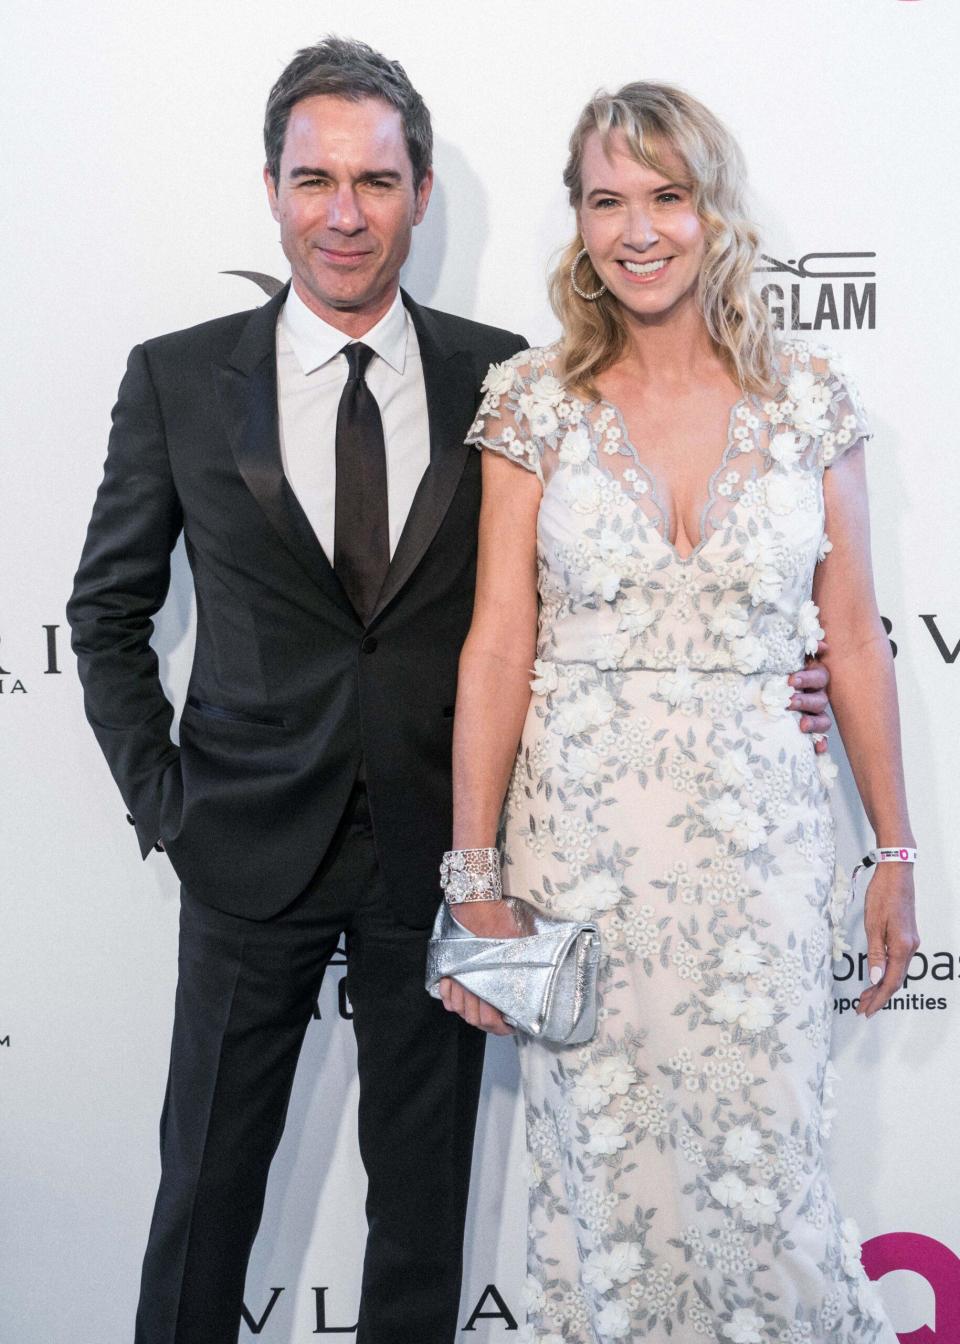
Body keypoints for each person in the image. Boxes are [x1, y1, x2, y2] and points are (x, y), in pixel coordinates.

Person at [66, 39, 833, 1344]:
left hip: (448, 854)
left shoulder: (516, 380)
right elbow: (106, 614)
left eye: (376, 178)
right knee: (206, 1194)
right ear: (272, 189)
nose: (345, 212)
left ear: (421, 189)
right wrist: (169, 805)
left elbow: (605, 580)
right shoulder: (178, 379)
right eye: (315, 179)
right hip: (243, 845)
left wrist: (758, 678)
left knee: (422, 1212)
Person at [440, 82, 916, 1340]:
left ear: (715, 211)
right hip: (581, 860)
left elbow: (856, 641)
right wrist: (472, 866)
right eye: (608, 200)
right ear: (580, 223)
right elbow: (498, 642)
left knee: (773, 1185)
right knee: (602, 1194)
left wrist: (896, 851)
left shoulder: (810, 398)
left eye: (667, 196)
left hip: (759, 852)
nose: (638, 229)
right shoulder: (532, 400)